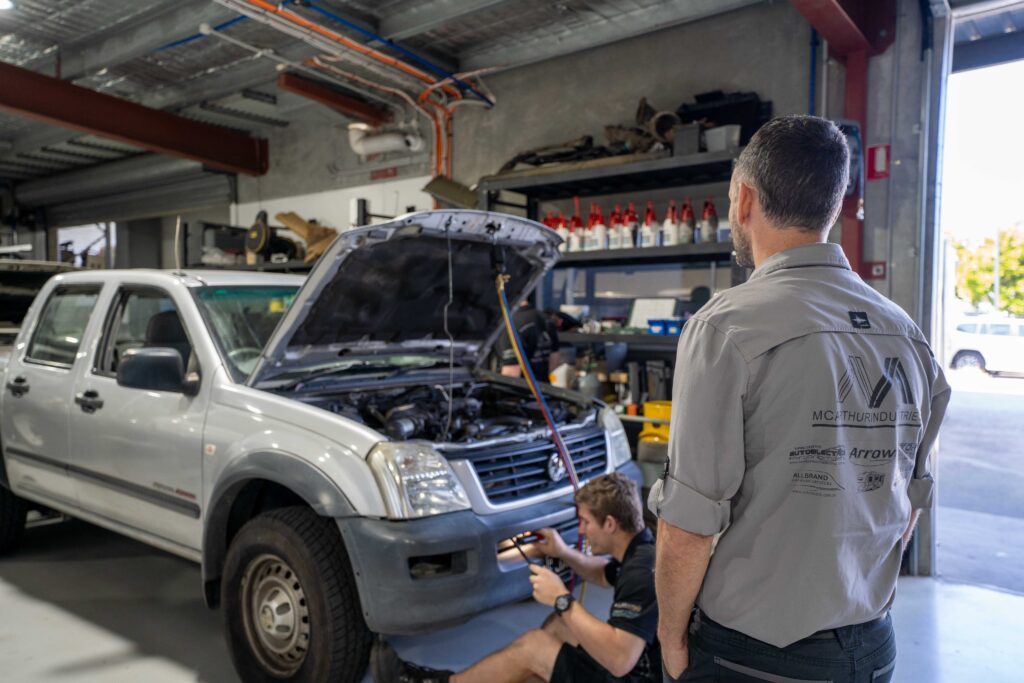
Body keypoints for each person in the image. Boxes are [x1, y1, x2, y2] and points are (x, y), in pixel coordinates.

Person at [649, 115, 950, 682]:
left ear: (743, 199)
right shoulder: (905, 331)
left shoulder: (726, 327)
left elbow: (688, 524)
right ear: (833, 207)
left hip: (754, 657)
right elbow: (909, 500)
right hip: (872, 647)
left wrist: (668, 638)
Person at [371, 473, 660, 683]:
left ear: (610, 523)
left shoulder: (641, 573)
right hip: (637, 663)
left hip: (634, 674)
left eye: (585, 522)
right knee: (557, 629)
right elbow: (601, 572)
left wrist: (562, 600)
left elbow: (621, 661)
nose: (582, 531)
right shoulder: (640, 550)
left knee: (534, 646)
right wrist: (562, 551)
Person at [494, 299, 560, 382]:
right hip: (543, 388)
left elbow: (511, 374)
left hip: (520, 391)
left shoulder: (512, 324)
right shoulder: (546, 319)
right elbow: (554, 357)